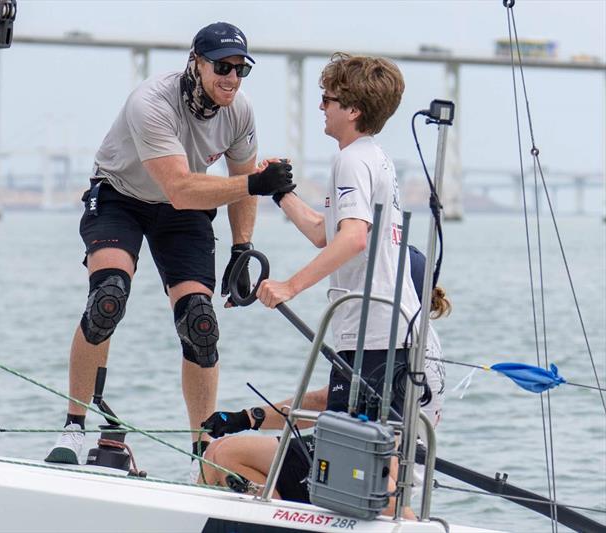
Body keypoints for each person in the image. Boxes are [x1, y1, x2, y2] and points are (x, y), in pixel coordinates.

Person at [197, 52, 443, 511]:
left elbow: (352, 239)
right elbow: (321, 233)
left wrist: (290, 286)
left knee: (375, 471)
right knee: (364, 460)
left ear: (352, 109)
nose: (321, 108)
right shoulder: (372, 158)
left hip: (375, 333)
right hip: (375, 333)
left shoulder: (351, 161)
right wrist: (278, 191)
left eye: (327, 99)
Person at [44, 22, 294, 472]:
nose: (231, 79)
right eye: (222, 67)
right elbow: (180, 186)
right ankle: (74, 426)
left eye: (241, 70)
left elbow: (241, 185)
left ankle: (204, 453)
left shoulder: (240, 111)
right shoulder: (152, 103)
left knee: (200, 324)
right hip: (122, 196)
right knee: (107, 299)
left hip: (184, 213)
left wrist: (242, 248)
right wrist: (255, 180)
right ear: (196, 63)